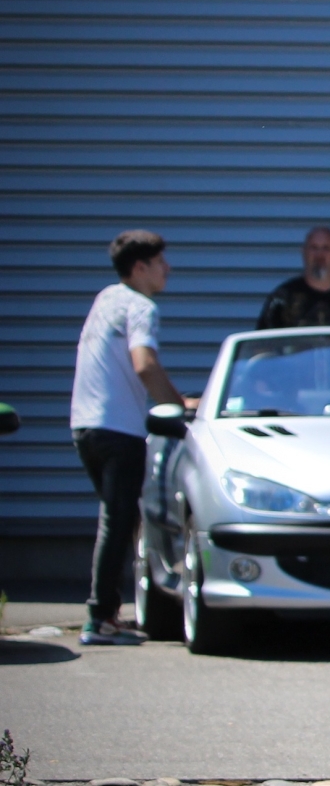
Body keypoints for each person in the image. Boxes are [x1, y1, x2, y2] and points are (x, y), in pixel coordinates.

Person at [70, 230, 192, 647]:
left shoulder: (106, 299)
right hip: (119, 429)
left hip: (84, 426)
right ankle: (100, 618)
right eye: (161, 262)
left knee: (117, 520)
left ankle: (106, 613)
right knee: (118, 522)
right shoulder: (142, 306)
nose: (167, 269)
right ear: (140, 268)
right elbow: (144, 364)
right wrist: (178, 405)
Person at [257, 226, 330, 330]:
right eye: (314, 248)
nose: (319, 255)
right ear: (304, 253)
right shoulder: (282, 300)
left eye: (326, 248)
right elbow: (262, 348)